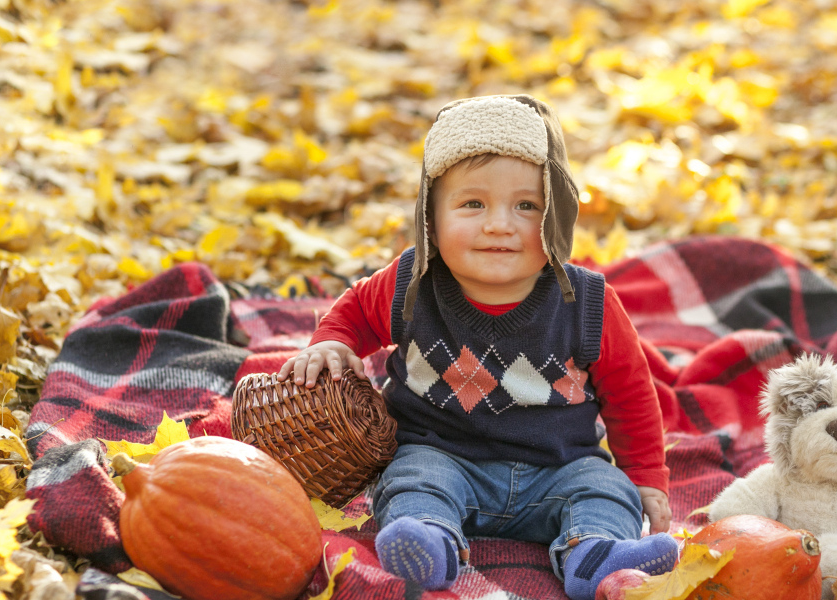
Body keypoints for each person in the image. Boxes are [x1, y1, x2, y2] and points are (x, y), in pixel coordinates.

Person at [278, 94, 675, 600]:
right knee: (410, 480)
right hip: (442, 455)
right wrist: (331, 343)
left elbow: (632, 394)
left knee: (604, 489)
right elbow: (355, 310)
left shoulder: (587, 303)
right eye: (473, 204)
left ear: (558, 217)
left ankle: (594, 553)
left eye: (527, 206)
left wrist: (645, 478)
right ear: (431, 217)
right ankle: (430, 540)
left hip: (558, 469)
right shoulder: (412, 283)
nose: (499, 224)